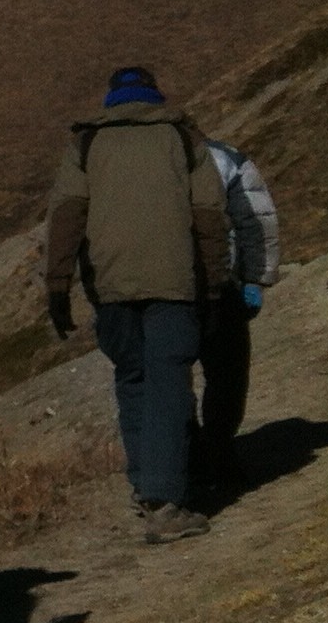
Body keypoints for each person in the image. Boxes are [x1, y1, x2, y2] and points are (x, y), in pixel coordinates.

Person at [42, 66, 229, 542]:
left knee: (133, 378)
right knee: (169, 379)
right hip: (174, 282)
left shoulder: (86, 143)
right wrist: (214, 284)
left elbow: (66, 217)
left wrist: (58, 285)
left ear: (113, 100)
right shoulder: (182, 138)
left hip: (111, 287)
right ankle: (165, 501)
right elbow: (209, 216)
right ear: (154, 95)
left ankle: (147, 485)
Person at [194, 136, 280, 490]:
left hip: (154, 291)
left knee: (166, 378)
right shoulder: (222, 157)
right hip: (221, 285)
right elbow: (256, 220)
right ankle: (219, 449)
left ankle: (182, 459)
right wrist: (255, 278)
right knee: (227, 372)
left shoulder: (121, 160)